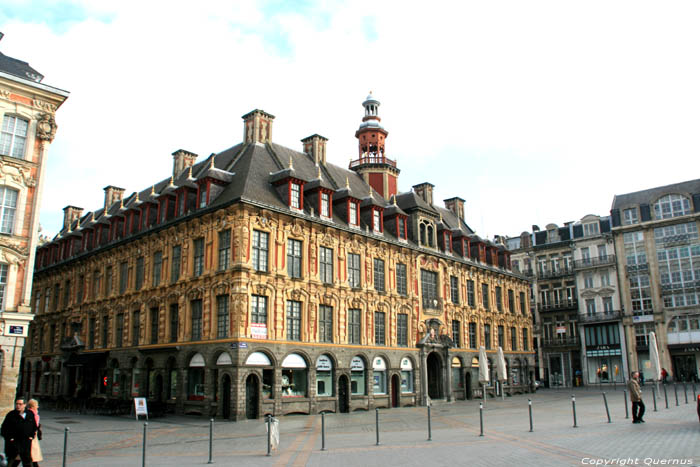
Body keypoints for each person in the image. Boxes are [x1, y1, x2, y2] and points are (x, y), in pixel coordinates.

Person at [1, 399, 37, 467]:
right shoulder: (11, 415)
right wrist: (9, 438)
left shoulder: (30, 414)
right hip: (13, 444)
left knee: (27, 462)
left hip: (25, 443)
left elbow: (34, 426)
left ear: (24, 405)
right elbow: (4, 429)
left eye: (20, 404)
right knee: (10, 462)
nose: (18, 406)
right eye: (17, 404)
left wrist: (31, 436)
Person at [25, 400, 42, 467]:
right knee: (32, 455)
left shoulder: (26, 413)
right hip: (31, 436)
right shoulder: (34, 414)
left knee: (32, 456)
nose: (38, 406)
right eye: (37, 405)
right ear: (33, 406)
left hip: (29, 436)